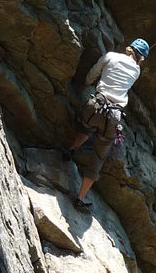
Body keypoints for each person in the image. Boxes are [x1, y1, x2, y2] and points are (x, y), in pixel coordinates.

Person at [63, 38, 150, 211]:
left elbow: (92, 74)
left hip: (96, 105)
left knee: (86, 126)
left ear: (129, 49)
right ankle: (80, 198)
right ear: (141, 58)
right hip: (113, 116)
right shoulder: (136, 71)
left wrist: (87, 84)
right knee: (99, 157)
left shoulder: (110, 56)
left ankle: (70, 150)